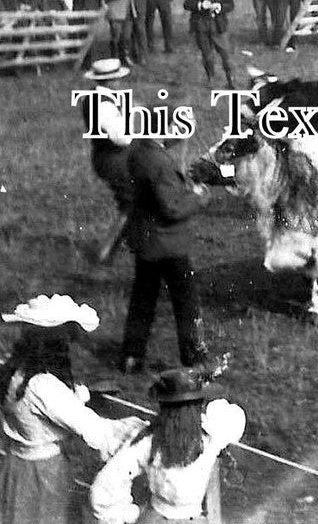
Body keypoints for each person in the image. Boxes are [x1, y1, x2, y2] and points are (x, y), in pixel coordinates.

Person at [0, 294, 141, 524]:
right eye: (64, 342)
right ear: (53, 344)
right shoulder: (43, 386)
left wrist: (79, 396)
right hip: (43, 474)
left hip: (16, 466)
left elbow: (47, 407)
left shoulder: (14, 374)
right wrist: (138, 430)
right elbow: (92, 428)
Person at [90, 368, 246, 524]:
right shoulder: (212, 439)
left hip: (157, 517)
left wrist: (124, 514)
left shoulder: (149, 441)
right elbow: (233, 422)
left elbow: (105, 486)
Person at [119, 129, 211, 374]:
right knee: (187, 303)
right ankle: (194, 359)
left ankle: (132, 355)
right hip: (169, 245)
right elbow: (172, 208)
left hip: (146, 242)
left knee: (142, 301)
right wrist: (198, 197)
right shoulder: (160, 163)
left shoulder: (138, 153)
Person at [82, 58, 135, 264]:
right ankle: (106, 251)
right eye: (117, 79)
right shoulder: (105, 105)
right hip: (113, 158)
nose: (121, 82)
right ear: (110, 81)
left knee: (131, 200)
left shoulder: (93, 98)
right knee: (131, 202)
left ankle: (126, 241)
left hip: (105, 156)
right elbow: (122, 137)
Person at [183, 0, 236, 89]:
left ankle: (230, 80)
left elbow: (231, 5)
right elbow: (187, 4)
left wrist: (220, 6)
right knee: (207, 55)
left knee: (225, 54)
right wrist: (200, 5)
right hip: (202, 26)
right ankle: (210, 79)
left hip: (219, 25)